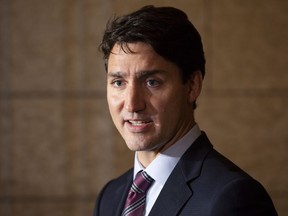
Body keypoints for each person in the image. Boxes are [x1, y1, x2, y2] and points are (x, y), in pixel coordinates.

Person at [94, 5, 278, 216]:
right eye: (118, 82)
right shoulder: (110, 197)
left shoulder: (235, 198)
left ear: (192, 86)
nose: (132, 104)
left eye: (152, 82)